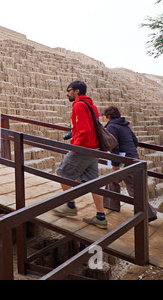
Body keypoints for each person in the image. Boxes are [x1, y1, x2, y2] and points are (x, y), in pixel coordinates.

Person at [53, 81, 108, 229]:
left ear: (77, 91)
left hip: (83, 148)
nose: (67, 93)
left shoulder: (78, 105)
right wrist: (72, 133)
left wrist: (75, 147)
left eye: (69, 90)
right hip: (93, 149)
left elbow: (84, 130)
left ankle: (70, 206)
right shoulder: (91, 105)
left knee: (62, 173)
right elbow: (88, 126)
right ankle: (100, 217)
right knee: (93, 182)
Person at [102, 106, 157, 222]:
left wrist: (115, 163)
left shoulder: (111, 126)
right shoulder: (125, 125)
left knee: (122, 183)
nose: (104, 119)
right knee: (121, 182)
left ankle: (149, 213)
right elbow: (135, 141)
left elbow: (114, 146)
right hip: (133, 157)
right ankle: (111, 204)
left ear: (109, 117)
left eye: (104, 117)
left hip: (124, 159)